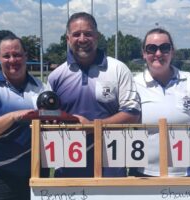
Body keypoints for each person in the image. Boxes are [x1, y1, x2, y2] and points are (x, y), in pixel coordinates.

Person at [47, 12, 141, 177]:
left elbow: (132, 114)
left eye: (88, 34)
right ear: (68, 39)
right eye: (76, 34)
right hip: (68, 165)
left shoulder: (118, 69)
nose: (82, 39)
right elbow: (47, 117)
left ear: (97, 36)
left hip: (112, 164)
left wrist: (91, 126)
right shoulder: (56, 76)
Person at [0, 34, 48, 200]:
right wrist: (14, 116)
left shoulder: (42, 88)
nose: (13, 60)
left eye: (17, 54)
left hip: (36, 171)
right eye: (6, 55)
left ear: (26, 56)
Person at [129, 28, 190, 177]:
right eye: (151, 49)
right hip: (143, 174)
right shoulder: (133, 84)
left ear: (172, 52)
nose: (158, 54)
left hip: (184, 175)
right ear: (143, 53)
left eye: (164, 48)